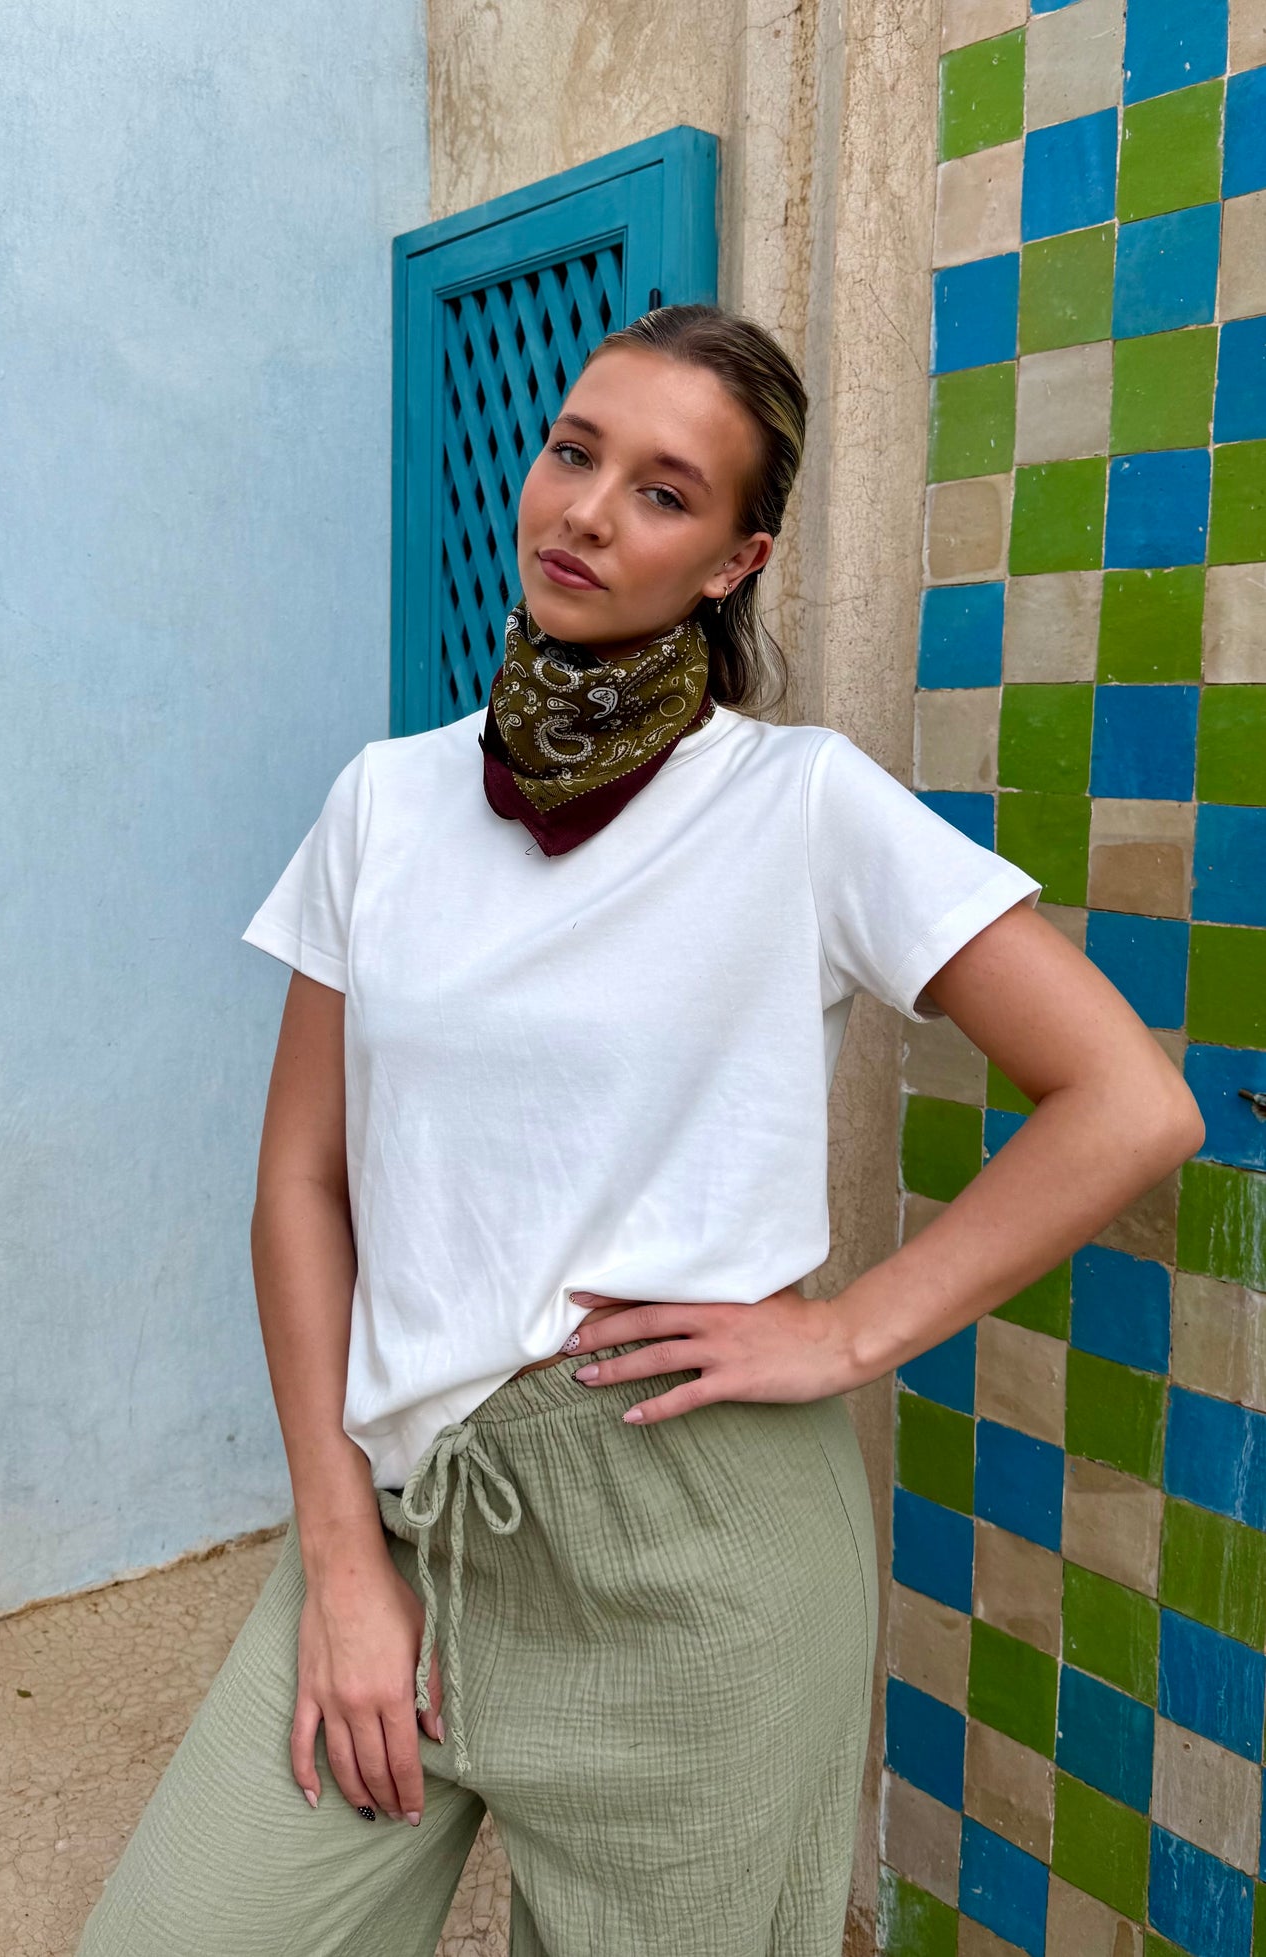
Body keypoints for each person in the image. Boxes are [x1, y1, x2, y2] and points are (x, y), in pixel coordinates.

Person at [74, 304, 1205, 1956]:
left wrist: (847, 1330)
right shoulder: (385, 801)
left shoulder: (799, 802)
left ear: (739, 561)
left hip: (696, 1562)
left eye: (664, 492)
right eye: (574, 452)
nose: (589, 511)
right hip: (409, 1514)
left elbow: (1130, 1100)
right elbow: (302, 1183)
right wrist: (338, 1551)